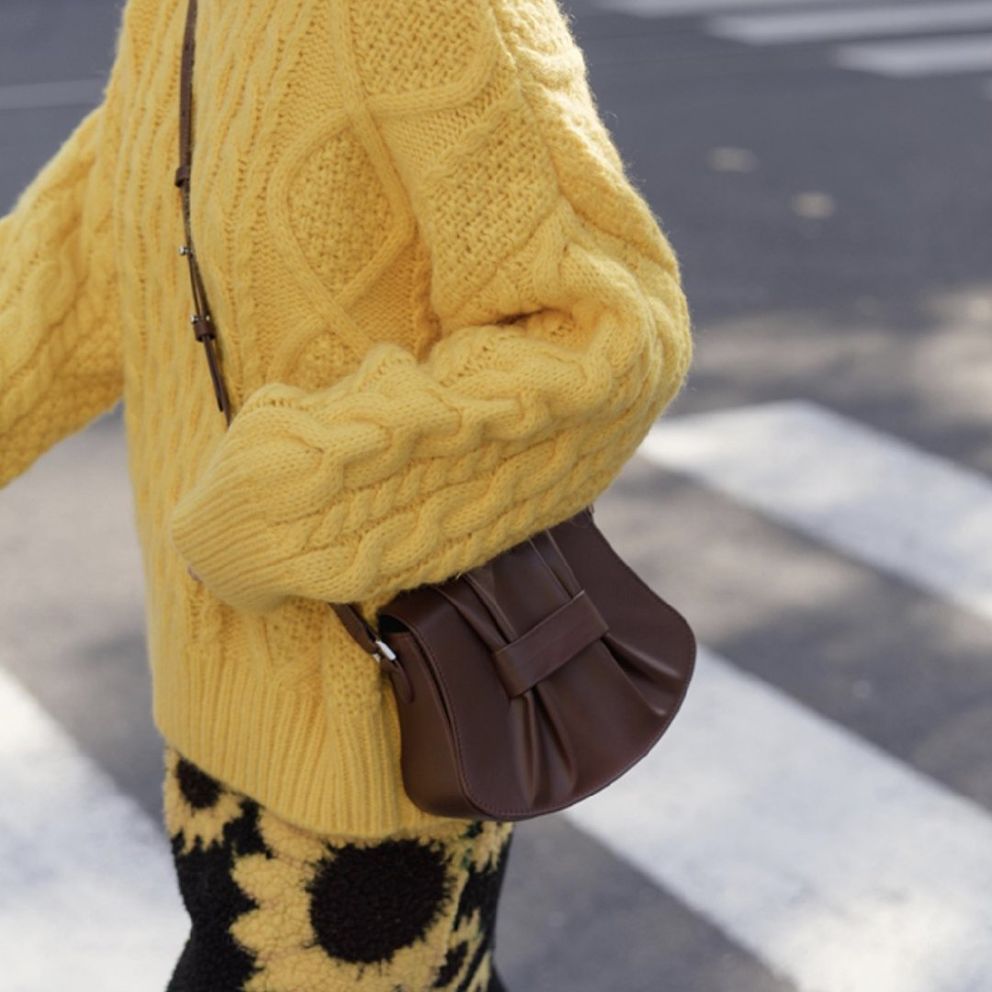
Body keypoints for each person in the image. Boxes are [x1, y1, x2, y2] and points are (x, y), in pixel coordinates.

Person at [0, 0, 694, 988]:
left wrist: (295, 497)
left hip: (385, 743)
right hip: (216, 723)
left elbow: (603, 334)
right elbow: (86, 253)